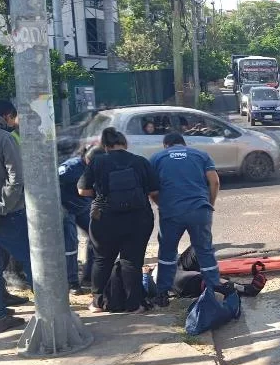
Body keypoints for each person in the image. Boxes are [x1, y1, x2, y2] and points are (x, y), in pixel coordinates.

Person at [78, 127, 159, 313]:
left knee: (102, 260)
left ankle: (97, 303)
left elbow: (82, 190)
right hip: (138, 219)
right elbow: (154, 191)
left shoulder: (98, 161)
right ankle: (134, 304)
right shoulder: (140, 162)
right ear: (125, 144)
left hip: (105, 219)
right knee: (132, 261)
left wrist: (101, 194)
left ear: (105, 146)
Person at [151, 132, 220, 307]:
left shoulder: (157, 158)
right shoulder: (201, 155)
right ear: (184, 144)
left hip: (171, 212)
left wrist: (163, 205)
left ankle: (162, 294)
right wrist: (209, 205)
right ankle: (214, 290)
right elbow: (215, 182)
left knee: (167, 252)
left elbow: (152, 190)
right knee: (204, 251)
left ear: (166, 145)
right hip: (199, 210)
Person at [0, 100, 32, 333]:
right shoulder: (3, 138)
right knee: (33, 262)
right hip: (6, 216)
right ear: (7, 116)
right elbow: (16, 179)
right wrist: (3, 208)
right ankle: (50, 311)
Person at [59, 145, 104, 294]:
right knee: (71, 241)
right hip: (66, 207)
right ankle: (71, 281)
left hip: (83, 207)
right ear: (87, 159)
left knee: (97, 234)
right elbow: (52, 183)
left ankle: (90, 275)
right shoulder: (70, 168)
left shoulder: (102, 165)